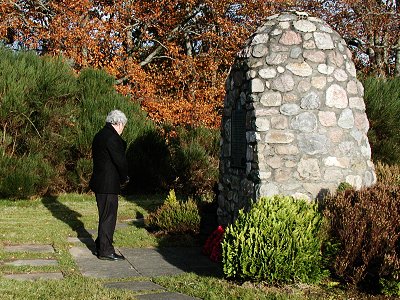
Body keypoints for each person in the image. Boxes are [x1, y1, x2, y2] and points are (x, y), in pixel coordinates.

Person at [89, 110, 129, 261]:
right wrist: (125, 178)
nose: (123, 129)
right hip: (108, 184)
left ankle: (101, 244)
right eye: (123, 126)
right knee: (109, 217)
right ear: (118, 123)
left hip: (100, 183)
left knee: (104, 215)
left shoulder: (100, 135)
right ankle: (106, 250)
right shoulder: (112, 138)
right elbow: (121, 161)